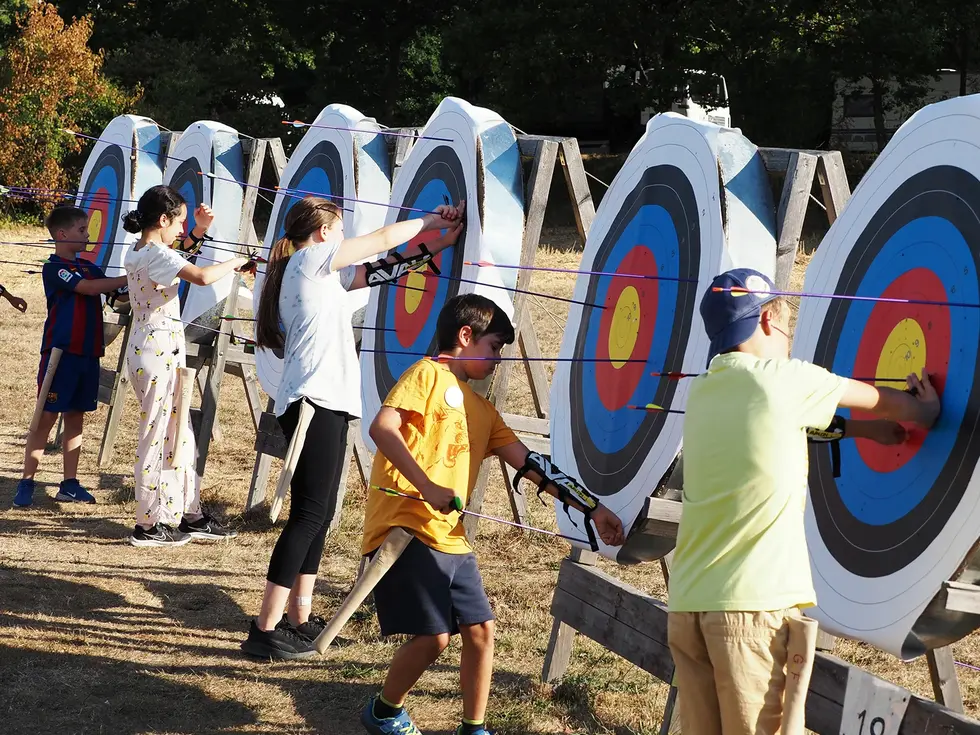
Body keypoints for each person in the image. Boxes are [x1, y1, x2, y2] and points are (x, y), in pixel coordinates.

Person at [667, 268, 941, 735]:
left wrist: (861, 432)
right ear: (769, 322)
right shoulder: (785, 379)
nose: (789, 343)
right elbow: (883, 401)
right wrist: (925, 409)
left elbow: (786, 425)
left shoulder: (705, 389)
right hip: (750, 610)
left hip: (688, 606)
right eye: (788, 330)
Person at [358, 294, 625, 735]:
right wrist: (427, 486)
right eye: (494, 347)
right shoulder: (426, 374)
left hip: (451, 537)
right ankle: (384, 711)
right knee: (436, 636)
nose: (498, 359)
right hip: (407, 528)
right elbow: (382, 428)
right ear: (465, 336)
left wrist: (593, 509)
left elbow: (533, 466)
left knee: (481, 630)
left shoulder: (484, 411)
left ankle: (474, 728)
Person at [241, 195, 467, 660]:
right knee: (307, 515)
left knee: (320, 514)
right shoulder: (309, 258)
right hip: (314, 401)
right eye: (339, 229)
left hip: (326, 402)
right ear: (323, 233)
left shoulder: (319, 272)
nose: (344, 237)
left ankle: (298, 618)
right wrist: (430, 219)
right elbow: (382, 241)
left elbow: (382, 269)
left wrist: (437, 245)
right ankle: (265, 628)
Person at [121, 184, 249, 547]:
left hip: (157, 348)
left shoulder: (145, 249)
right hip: (157, 350)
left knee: (180, 434)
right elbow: (202, 275)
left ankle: (189, 514)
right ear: (162, 219)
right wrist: (236, 261)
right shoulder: (157, 254)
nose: (181, 229)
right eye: (178, 221)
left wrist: (198, 231)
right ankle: (147, 523)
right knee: (157, 434)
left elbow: (177, 257)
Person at [13, 206, 129, 508]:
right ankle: (27, 480)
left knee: (75, 417)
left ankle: (70, 483)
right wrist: (126, 277)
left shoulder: (92, 267)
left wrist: (143, 282)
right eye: (81, 230)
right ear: (62, 235)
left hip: (88, 354)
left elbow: (118, 297)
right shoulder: (54, 267)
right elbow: (87, 289)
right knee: (46, 417)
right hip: (60, 354)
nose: (87, 235)